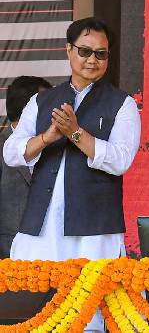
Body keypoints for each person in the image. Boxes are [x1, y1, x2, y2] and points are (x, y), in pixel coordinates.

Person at [2, 17, 141, 331]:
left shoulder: (123, 105)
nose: (92, 59)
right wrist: (48, 138)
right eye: (85, 51)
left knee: (87, 316)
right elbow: (11, 152)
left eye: (101, 53)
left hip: (92, 228)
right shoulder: (40, 102)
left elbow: (120, 160)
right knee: (32, 309)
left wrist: (77, 134)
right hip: (43, 223)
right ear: (69, 50)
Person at [0, 76, 52, 258]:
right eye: (47, 104)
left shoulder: (54, 145)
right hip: (8, 254)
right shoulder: (2, 148)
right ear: (29, 109)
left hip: (53, 253)